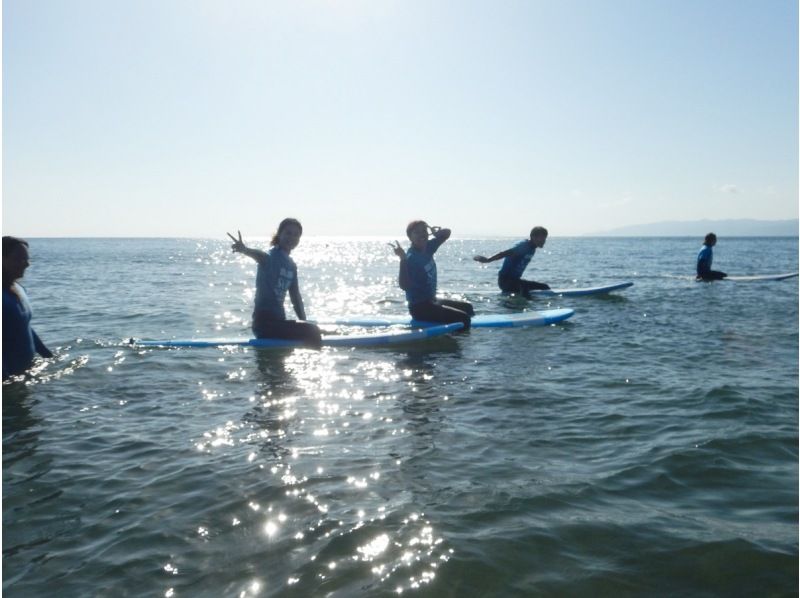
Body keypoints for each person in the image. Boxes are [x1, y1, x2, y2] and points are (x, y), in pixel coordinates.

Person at [227, 219, 322, 348]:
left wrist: (304, 322)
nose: (292, 237)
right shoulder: (270, 257)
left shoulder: (292, 266)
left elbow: (296, 298)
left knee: (315, 329)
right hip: (264, 325)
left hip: (279, 323)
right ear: (279, 234)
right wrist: (245, 250)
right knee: (313, 331)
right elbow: (260, 256)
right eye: (288, 233)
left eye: (296, 235)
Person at [390, 221, 473, 329]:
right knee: (464, 318)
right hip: (419, 308)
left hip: (432, 300)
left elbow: (447, 233)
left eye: (424, 231)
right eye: (417, 232)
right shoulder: (411, 258)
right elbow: (404, 286)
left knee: (468, 308)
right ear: (410, 237)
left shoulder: (429, 247)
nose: (421, 234)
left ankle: (459, 329)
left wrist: (436, 234)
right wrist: (402, 259)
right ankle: (450, 341)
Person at [3, 236, 53, 380]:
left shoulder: (19, 289)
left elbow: (23, 325)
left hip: (25, 375)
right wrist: (6, 381)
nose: (27, 264)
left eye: (27, 259)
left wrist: (47, 355)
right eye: (19, 259)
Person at [473, 226, 551, 297]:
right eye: (542, 238)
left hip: (515, 281)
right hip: (505, 281)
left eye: (545, 238)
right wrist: (488, 260)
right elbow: (506, 253)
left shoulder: (532, 248)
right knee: (524, 288)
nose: (544, 241)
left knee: (544, 287)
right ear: (533, 237)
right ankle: (523, 309)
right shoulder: (524, 246)